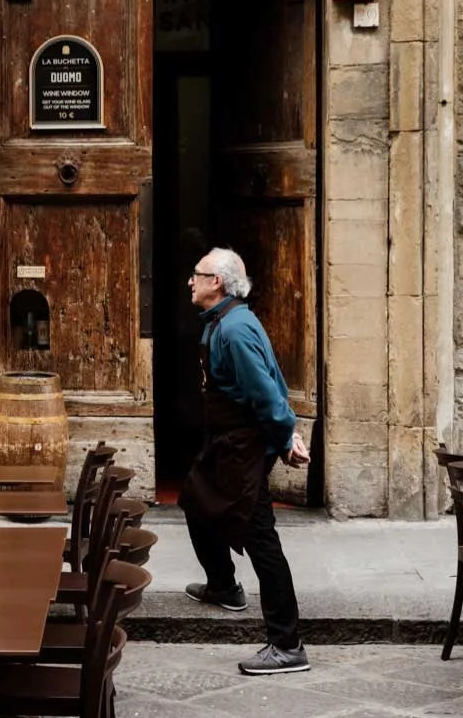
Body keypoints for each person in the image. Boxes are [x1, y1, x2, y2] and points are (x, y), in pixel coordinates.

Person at [181, 246, 312, 675]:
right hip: (226, 443)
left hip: (243, 449)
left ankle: (287, 644)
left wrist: (286, 436)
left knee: (261, 541)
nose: (190, 281)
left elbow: (265, 390)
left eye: (197, 274)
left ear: (216, 282)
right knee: (196, 501)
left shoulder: (235, 330)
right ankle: (223, 586)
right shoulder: (226, 322)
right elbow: (272, 378)